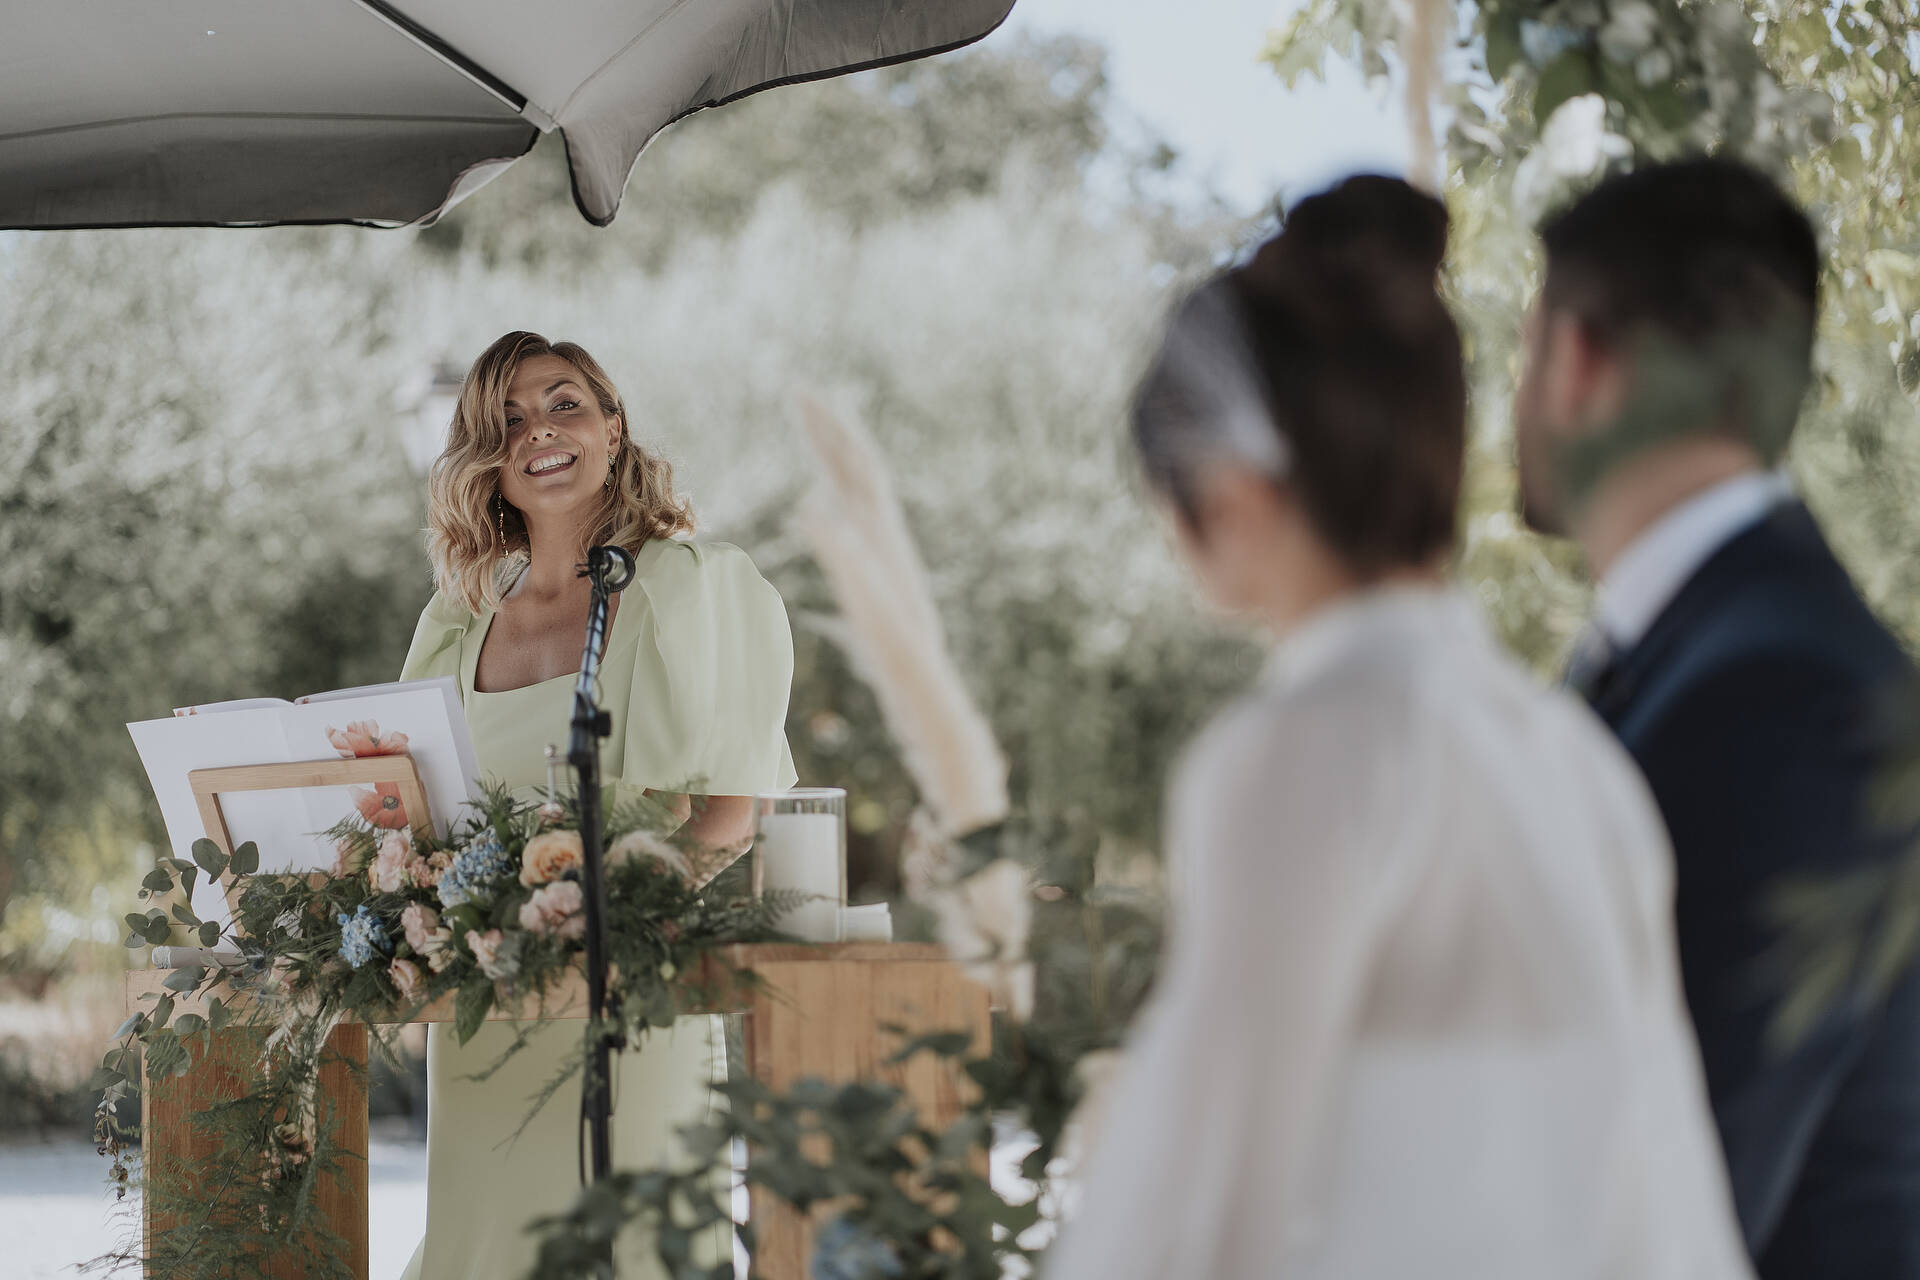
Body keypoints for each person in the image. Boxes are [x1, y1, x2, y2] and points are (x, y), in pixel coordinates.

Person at [1046, 176, 1752, 1280]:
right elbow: (1663, 1187)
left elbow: (1210, 1195)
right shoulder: (1571, 756)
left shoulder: (1306, 751)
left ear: (1230, 490)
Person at [1515, 158, 1920, 1277]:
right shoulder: (1707, 651)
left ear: (1582, 364)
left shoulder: (1787, 694)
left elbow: (1664, 1191)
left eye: (1524, 346)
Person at [395, 331, 797, 1279]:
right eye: (508, 420)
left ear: (614, 428)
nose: (540, 430)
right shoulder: (456, 621)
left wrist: (613, 913)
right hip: (486, 1015)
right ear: (485, 462)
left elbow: (729, 815)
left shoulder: (692, 589)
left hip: (632, 1003)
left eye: (564, 403)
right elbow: (420, 817)